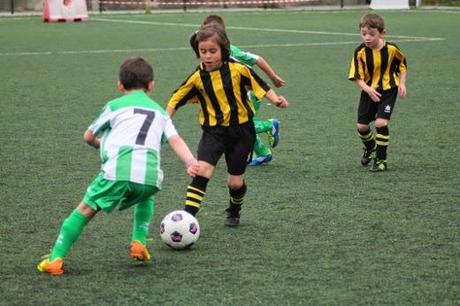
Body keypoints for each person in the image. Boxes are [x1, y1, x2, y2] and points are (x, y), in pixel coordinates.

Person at [37, 57, 199, 275]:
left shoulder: (114, 106)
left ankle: (55, 259)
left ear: (120, 85)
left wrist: (98, 144)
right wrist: (190, 161)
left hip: (118, 172)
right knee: (145, 196)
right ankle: (139, 242)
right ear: (151, 85)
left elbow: (88, 136)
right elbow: (175, 140)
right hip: (151, 177)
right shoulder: (160, 112)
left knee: (85, 209)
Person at [167, 25, 288, 227]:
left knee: (235, 182)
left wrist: (276, 100)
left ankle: (234, 210)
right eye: (203, 52)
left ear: (224, 50)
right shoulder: (197, 78)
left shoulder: (239, 70)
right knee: (202, 171)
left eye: (212, 51)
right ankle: (187, 218)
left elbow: (261, 85)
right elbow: (175, 99)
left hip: (241, 132)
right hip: (213, 133)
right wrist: (164, 119)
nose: (207, 56)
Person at [197, 15, 286, 166]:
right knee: (240, 126)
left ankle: (270, 125)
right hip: (232, 96)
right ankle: (263, 153)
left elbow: (258, 59)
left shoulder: (232, 51)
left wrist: (273, 77)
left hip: (248, 93)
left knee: (241, 126)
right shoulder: (207, 49)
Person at [348, 13, 407, 172]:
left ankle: (381, 159)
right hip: (368, 91)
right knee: (362, 126)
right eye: (363, 34)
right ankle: (370, 148)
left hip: (388, 90)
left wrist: (402, 83)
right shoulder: (360, 52)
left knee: (381, 123)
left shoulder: (392, 49)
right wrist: (367, 88)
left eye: (372, 34)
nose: (367, 38)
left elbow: (402, 65)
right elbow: (356, 76)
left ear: (382, 33)